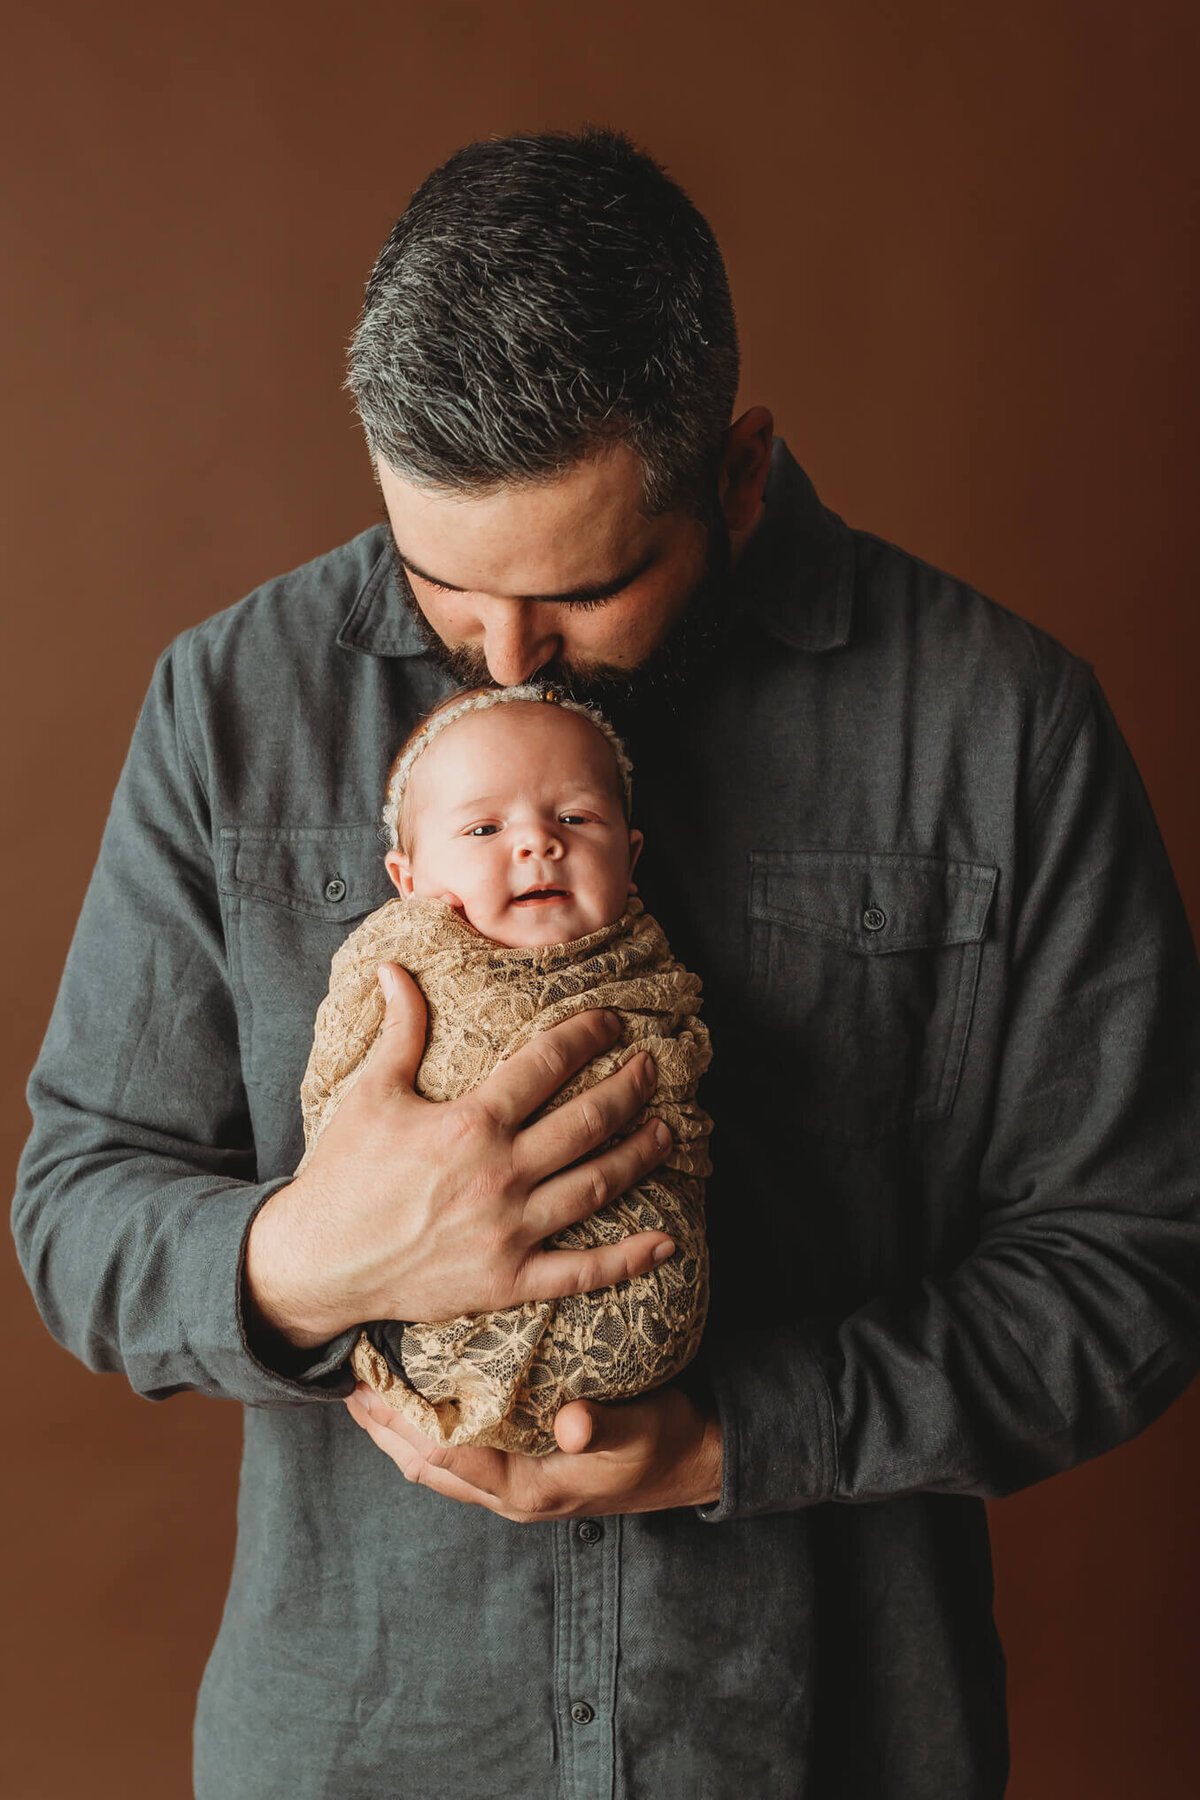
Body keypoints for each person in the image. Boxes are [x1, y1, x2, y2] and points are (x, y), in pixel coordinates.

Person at [11, 125, 1199, 1799]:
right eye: (440, 585)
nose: (500, 659)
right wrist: (313, 1255)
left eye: (583, 591)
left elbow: (1141, 1260)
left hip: (827, 1745)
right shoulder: (230, 707)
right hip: (363, 1753)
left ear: (739, 472)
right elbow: (74, 1212)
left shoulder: (1001, 728)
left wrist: (739, 1437)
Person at [299, 682, 712, 1455]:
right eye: (485, 826)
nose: (537, 843)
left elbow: (678, 1079)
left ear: (632, 858)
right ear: (408, 880)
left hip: (650, 1316)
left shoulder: (648, 965)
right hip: (438, 1308)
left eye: (576, 818)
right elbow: (333, 1100)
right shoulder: (405, 963)